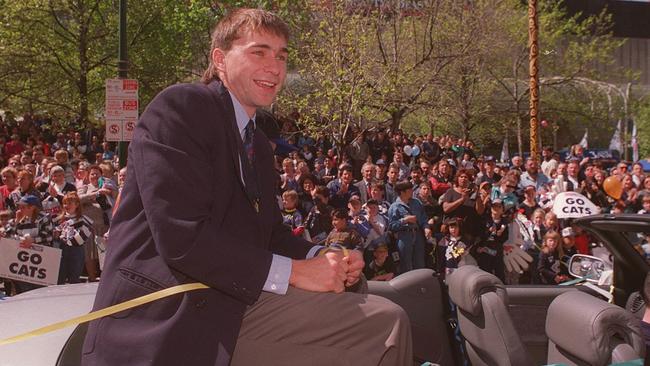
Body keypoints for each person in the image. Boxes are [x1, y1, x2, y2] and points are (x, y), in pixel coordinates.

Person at [82, 9, 411, 366]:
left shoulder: (253, 142)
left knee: (379, 313)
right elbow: (182, 238)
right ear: (220, 59)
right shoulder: (181, 107)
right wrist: (298, 273)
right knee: (384, 324)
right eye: (260, 51)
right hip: (168, 315)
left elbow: (268, 235)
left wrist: (324, 257)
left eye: (282, 55)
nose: (275, 66)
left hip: (232, 303)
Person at [53, 192, 94, 284]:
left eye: (70, 203)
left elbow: (84, 236)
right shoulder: (58, 219)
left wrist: (69, 241)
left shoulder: (83, 219)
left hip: (76, 251)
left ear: (77, 204)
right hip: (61, 250)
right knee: (59, 279)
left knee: (73, 279)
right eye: (65, 203)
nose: (67, 205)